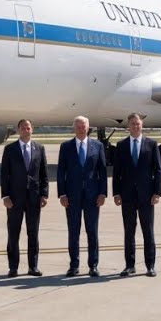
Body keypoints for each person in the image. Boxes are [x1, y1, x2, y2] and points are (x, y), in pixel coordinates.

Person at [113, 113, 161, 277]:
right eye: (132, 124)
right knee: (129, 231)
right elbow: (117, 172)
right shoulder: (121, 145)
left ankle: (150, 266)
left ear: (142, 126)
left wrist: (157, 192)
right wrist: (116, 193)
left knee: (148, 231)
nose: (135, 126)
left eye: (138, 124)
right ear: (128, 126)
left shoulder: (151, 144)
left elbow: (158, 170)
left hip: (147, 195)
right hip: (127, 195)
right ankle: (129, 265)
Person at [57, 117, 107, 277]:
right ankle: (74, 265)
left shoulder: (98, 146)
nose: (80, 128)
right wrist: (62, 194)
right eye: (77, 126)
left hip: (93, 197)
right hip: (71, 197)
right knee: (73, 232)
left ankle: (93, 265)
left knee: (92, 231)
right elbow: (60, 173)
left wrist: (102, 193)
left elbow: (103, 172)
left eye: (83, 126)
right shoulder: (65, 147)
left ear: (88, 128)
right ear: (74, 128)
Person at [0, 119, 48, 277]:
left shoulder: (40, 149)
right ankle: (13, 267)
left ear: (32, 129)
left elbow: (44, 174)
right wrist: (5, 195)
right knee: (13, 233)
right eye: (23, 128)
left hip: (34, 199)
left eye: (28, 128)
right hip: (14, 199)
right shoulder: (10, 149)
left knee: (33, 233)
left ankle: (33, 267)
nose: (26, 130)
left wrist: (44, 194)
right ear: (18, 130)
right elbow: (4, 175)